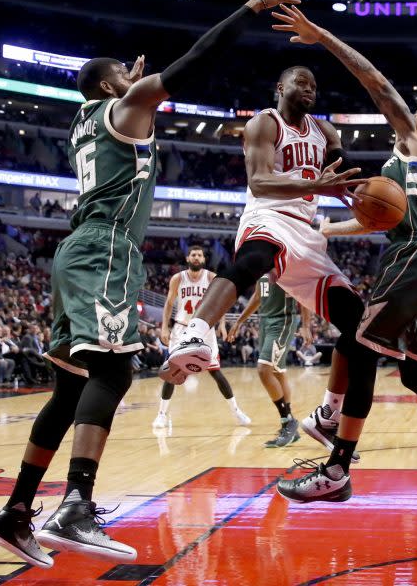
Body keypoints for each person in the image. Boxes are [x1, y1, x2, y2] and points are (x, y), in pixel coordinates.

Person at [0, 0, 303, 568]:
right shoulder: (124, 106)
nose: (139, 82)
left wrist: (124, 86)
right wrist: (251, 7)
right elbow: (195, 60)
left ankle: (16, 511)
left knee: (72, 387)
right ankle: (76, 505)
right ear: (111, 87)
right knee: (115, 372)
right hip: (106, 250)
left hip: (77, 250)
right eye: (127, 79)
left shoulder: (89, 117)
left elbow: (120, 100)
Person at [269, 5, 417, 519]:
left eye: (414, 116)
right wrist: (328, 223)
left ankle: (336, 465)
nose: (403, 115)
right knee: (415, 375)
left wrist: (322, 37)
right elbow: (378, 218)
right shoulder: (400, 170)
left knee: (357, 344)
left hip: (415, 260)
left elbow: (377, 83)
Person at [160, 60, 370, 462]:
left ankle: (326, 414)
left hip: (308, 233)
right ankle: (196, 333)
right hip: (268, 215)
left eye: (314, 84)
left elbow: (344, 175)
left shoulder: (326, 130)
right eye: (301, 82)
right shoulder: (264, 123)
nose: (310, 89)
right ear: (280, 86)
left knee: (358, 326)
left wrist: (370, 195)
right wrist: (315, 183)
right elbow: (259, 181)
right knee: (256, 257)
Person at [153, 246, 251, 428]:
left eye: (199, 255)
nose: (196, 258)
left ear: (204, 259)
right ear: (187, 257)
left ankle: (236, 411)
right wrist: (164, 327)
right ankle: (161, 414)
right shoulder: (178, 278)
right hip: (182, 329)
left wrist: (221, 325)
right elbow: (168, 303)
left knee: (215, 371)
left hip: (205, 330)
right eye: (193, 255)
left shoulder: (212, 277)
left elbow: (220, 303)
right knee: (172, 371)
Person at [228, 274, 312, 448]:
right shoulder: (261, 268)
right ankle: (288, 427)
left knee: (263, 369)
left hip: (282, 321)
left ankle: (287, 421)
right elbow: (258, 296)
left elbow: (303, 296)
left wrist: (305, 326)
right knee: (277, 372)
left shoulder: (287, 265)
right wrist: (239, 321)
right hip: (265, 321)